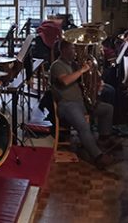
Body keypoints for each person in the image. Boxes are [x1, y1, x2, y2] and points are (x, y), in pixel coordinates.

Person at [51, 41, 117, 169]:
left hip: (81, 102)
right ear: (63, 50)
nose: (75, 51)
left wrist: (97, 83)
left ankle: (104, 138)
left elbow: (85, 81)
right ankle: (98, 156)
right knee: (83, 125)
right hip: (67, 104)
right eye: (72, 48)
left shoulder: (74, 64)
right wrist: (82, 70)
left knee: (107, 109)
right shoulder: (57, 65)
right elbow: (65, 81)